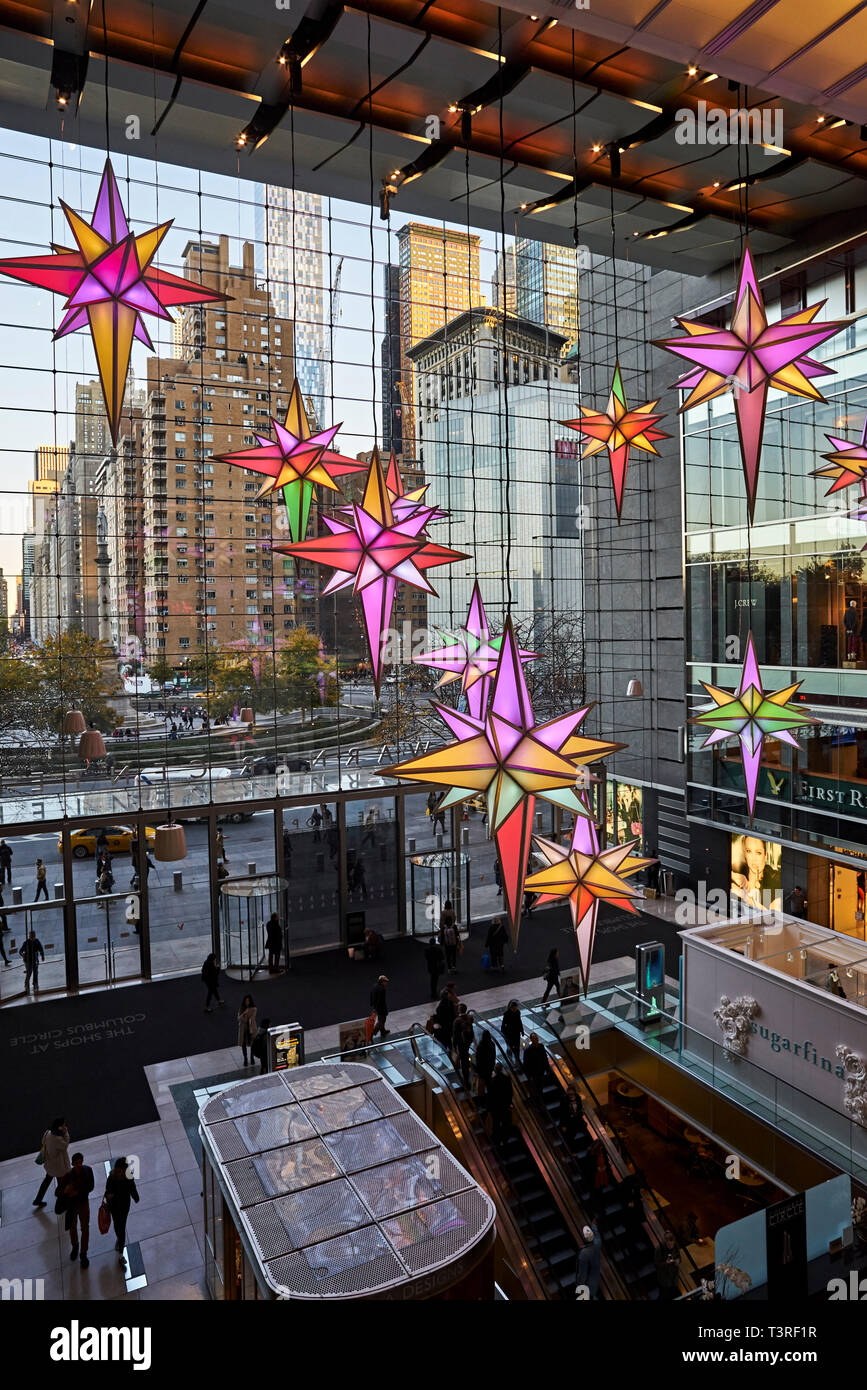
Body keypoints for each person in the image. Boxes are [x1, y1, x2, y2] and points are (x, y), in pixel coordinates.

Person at [57, 1151, 95, 1268]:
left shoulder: (88, 1170)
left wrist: (77, 1192)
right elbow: (58, 1191)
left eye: (80, 1162)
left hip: (83, 1203)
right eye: (76, 1163)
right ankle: (75, 1245)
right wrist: (65, 1191)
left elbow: (91, 1187)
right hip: (72, 1206)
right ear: (73, 1164)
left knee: (85, 1228)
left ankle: (83, 1252)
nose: (79, 1164)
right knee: (73, 1227)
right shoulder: (67, 1176)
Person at [103, 1157, 139, 1264]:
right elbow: (107, 1191)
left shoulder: (128, 1176)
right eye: (119, 1170)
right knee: (117, 1225)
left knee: (121, 1226)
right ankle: (119, 1237)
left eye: (122, 1170)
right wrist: (109, 1196)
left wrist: (136, 1197)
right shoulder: (111, 1178)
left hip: (124, 1205)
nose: (120, 1172)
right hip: (114, 1206)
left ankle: (120, 1253)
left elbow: (132, 1187)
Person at [33, 1118, 70, 1207]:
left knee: (46, 1181)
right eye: (64, 1125)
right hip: (58, 1166)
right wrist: (66, 1133)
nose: (66, 1126)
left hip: (50, 1164)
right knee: (62, 1185)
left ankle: (38, 1200)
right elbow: (65, 1145)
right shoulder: (57, 1138)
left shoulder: (48, 1133)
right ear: (60, 1127)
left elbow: (43, 1142)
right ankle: (62, 1204)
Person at [487, 1062, 513, 1141]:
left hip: (496, 1107)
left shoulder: (492, 1081)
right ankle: (506, 1138)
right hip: (505, 1105)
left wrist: (489, 1107)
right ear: (502, 1069)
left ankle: (496, 1138)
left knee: (496, 1123)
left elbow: (490, 1096)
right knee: (506, 1122)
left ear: (495, 1070)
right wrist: (509, 1103)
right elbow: (510, 1092)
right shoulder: (507, 1079)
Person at [522, 1032, 551, 1100]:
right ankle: (538, 1101)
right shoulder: (528, 1050)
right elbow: (526, 1064)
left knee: (540, 1087)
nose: (536, 1040)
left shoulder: (541, 1046)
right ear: (531, 1040)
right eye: (534, 1038)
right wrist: (529, 1076)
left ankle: (540, 1099)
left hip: (541, 1071)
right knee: (536, 1088)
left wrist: (547, 1069)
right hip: (534, 1073)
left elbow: (545, 1058)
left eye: (537, 1038)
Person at [576, 1223, 602, 1299]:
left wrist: (579, 1285)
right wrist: (593, 1226)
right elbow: (597, 1235)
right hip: (596, 1275)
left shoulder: (584, 1254)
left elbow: (582, 1274)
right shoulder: (597, 1243)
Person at [655, 1229, 682, 1300]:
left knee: (672, 1294)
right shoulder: (659, 1249)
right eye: (669, 1244)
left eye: (672, 1244)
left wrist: (678, 1261)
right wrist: (666, 1263)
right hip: (664, 1279)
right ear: (665, 1242)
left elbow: (679, 1257)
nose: (671, 1246)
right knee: (663, 1295)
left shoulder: (675, 1246)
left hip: (674, 1277)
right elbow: (657, 1264)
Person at [452, 1004, 475, 1086]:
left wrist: (454, 1046)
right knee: (465, 1056)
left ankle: (466, 1079)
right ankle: (469, 1063)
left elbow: (455, 1035)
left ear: (459, 1010)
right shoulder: (470, 1017)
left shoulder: (457, 1021)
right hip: (468, 1041)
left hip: (461, 1043)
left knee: (464, 1060)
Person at [473, 1028, 496, 1101]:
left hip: (482, 1069)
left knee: (481, 1085)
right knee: (489, 1083)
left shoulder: (480, 1045)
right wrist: (492, 1065)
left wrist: (477, 1069)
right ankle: (490, 1098)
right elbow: (494, 1056)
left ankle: (482, 1100)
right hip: (489, 1068)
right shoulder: (492, 1044)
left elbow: (478, 1058)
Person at [435, 981, 459, 1049]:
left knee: (448, 1036)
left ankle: (448, 1048)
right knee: (449, 1035)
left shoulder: (442, 1005)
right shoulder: (449, 1003)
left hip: (446, 1024)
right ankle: (450, 1047)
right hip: (449, 1023)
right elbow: (456, 1001)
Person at [20, 929, 44, 993]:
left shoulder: (37, 941)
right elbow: (20, 950)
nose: (32, 937)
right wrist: (22, 954)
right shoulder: (26, 942)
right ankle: (26, 984)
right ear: (29, 936)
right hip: (28, 960)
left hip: (35, 959)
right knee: (29, 972)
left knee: (35, 972)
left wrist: (42, 956)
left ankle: (35, 983)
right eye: (31, 936)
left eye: (33, 935)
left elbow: (41, 949)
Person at [500, 999, 524, 1064]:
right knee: (509, 1046)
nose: (516, 1009)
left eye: (516, 1008)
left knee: (517, 1047)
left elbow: (519, 1021)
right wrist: (504, 1033)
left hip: (516, 1033)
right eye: (514, 1008)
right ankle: (510, 1059)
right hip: (509, 1034)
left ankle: (517, 1059)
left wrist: (522, 1030)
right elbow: (503, 1024)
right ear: (511, 1008)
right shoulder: (507, 1014)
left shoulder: (518, 1012)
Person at [238, 994, 257, 1066]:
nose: (247, 1002)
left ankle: (252, 1057)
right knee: (243, 1044)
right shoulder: (241, 1008)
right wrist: (244, 1013)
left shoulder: (254, 1009)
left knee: (252, 1044)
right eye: (246, 1001)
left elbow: (251, 1019)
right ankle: (245, 1059)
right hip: (243, 1029)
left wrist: (244, 1017)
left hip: (251, 1028)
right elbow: (239, 1019)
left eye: (248, 1001)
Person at [439, 901, 458, 972]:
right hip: (453, 938)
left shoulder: (443, 912)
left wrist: (441, 929)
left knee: (447, 954)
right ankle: (454, 966)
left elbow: (441, 922)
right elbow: (455, 918)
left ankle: (449, 967)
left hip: (446, 936)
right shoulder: (453, 911)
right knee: (453, 954)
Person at [424, 935, 445, 1000]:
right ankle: (434, 992)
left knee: (432, 980)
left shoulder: (426, 950)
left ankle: (433, 992)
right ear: (435, 942)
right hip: (437, 966)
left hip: (431, 967)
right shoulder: (438, 949)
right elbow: (442, 958)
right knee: (435, 980)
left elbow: (426, 958)